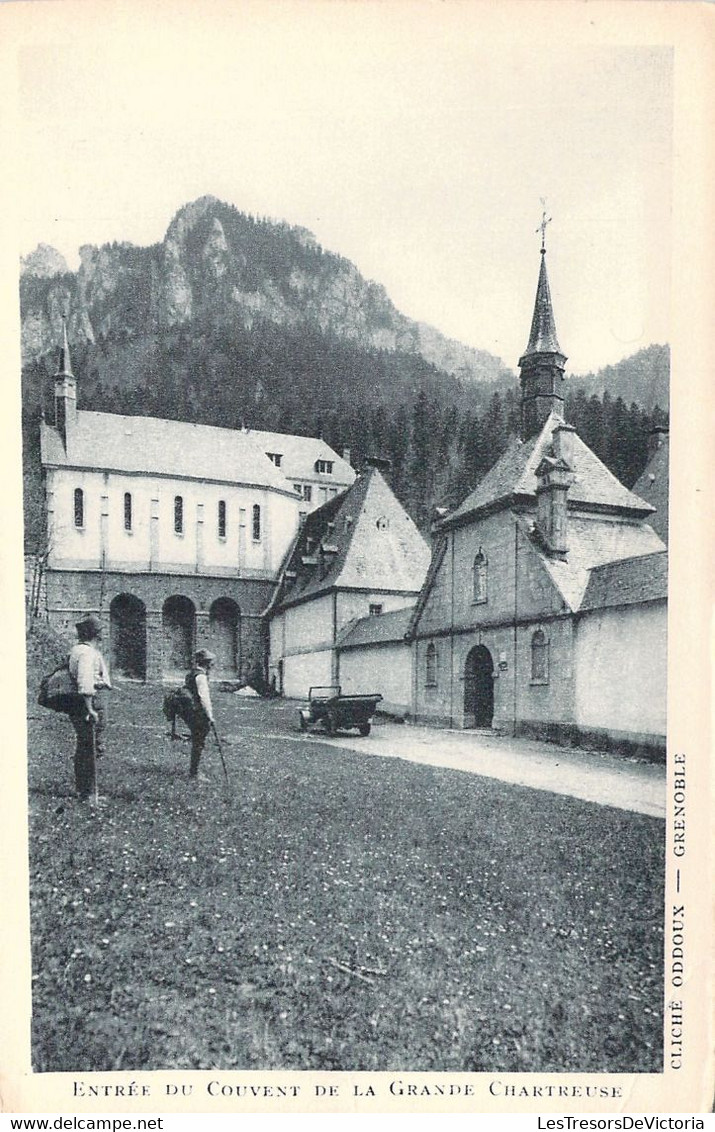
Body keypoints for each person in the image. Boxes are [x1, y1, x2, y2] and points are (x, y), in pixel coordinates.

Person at [68, 614, 111, 802]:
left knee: (87, 745)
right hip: (90, 703)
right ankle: (89, 794)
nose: (104, 633)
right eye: (101, 630)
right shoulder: (86, 653)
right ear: (95, 633)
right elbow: (85, 681)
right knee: (90, 747)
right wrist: (89, 709)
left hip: (88, 701)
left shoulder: (78, 650)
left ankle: (85, 790)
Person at [185, 649, 216, 780]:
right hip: (198, 712)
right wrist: (210, 716)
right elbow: (204, 698)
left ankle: (194, 770)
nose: (212, 665)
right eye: (211, 662)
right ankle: (194, 773)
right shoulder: (201, 677)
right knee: (199, 741)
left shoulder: (191, 673)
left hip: (190, 710)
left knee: (197, 740)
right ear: (206, 663)